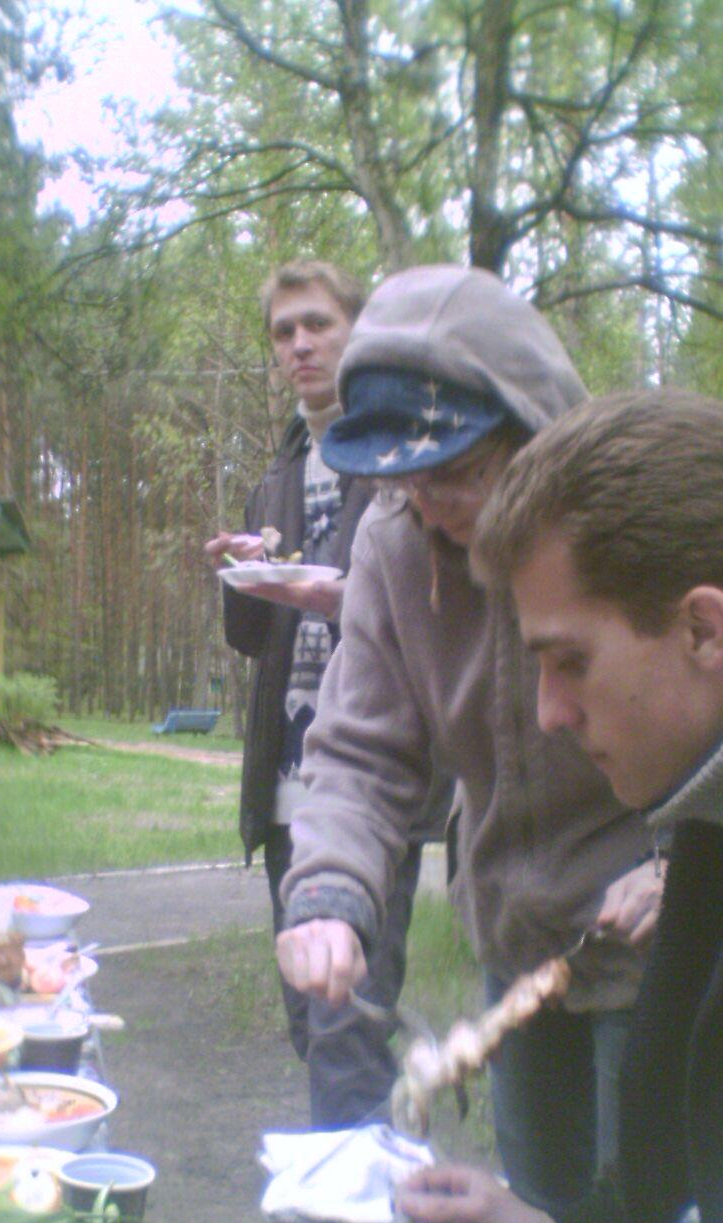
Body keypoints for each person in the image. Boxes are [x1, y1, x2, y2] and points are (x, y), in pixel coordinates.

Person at [275, 264, 659, 1216]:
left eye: (455, 471)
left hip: (655, 939)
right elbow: (360, 752)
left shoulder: (638, 523)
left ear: (531, 430)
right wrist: (331, 895)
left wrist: (684, 857)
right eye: (403, 476)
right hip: (517, 945)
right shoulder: (394, 545)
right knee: (542, 1217)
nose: (427, 502)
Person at [397, 387, 723, 1223]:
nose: (550, 713)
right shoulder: (718, 814)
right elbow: (715, 1200)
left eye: (570, 661)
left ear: (703, 629)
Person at [205, 259, 442, 1128]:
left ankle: (357, 1196)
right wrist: (244, 574)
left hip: (372, 775)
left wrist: (348, 596)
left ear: (356, 330)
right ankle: (371, 1156)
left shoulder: (399, 456)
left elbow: (433, 613)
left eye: (318, 324)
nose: (300, 344)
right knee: (313, 1019)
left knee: (347, 1023)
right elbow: (250, 639)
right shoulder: (276, 475)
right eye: (284, 331)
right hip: (286, 779)